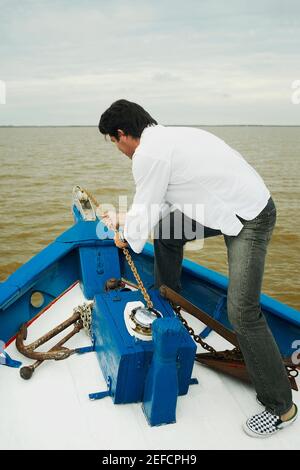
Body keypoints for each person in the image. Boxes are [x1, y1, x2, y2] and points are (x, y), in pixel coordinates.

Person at [98, 99, 297, 437]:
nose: (118, 149)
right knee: (167, 233)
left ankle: (281, 407)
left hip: (250, 217)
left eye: (113, 142)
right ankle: (166, 302)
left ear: (122, 135)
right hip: (227, 207)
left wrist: (124, 236)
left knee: (242, 312)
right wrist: (126, 220)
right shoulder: (169, 139)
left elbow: (144, 210)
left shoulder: (149, 154)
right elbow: (157, 202)